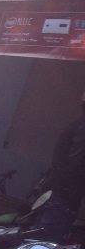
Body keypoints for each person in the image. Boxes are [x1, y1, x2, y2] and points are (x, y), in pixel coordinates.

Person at [39, 94, 85, 239]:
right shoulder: (81, 129)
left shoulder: (77, 125)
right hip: (66, 194)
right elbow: (75, 163)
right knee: (48, 239)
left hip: (65, 192)